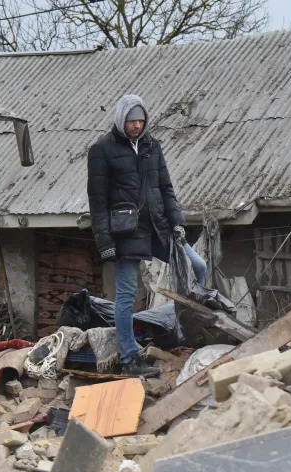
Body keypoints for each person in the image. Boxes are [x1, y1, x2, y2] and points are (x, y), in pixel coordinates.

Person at [87, 94, 207, 377]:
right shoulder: (101, 151)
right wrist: (105, 243)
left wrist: (177, 223)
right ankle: (130, 358)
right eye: (132, 121)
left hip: (158, 227)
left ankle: (189, 331)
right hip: (124, 232)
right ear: (121, 120)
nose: (137, 126)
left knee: (197, 267)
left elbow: (166, 189)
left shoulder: (153, 147)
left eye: (141, 120)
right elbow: (97, 201)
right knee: (127, 296)